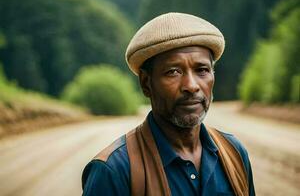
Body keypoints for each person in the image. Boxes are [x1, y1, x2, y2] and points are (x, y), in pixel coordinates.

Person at [81, 12, 255, 196]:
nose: (191, 86)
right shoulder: (113, 171)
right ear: (146, 83)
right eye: (173, 72)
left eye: (202, 70)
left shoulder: (233, 152)